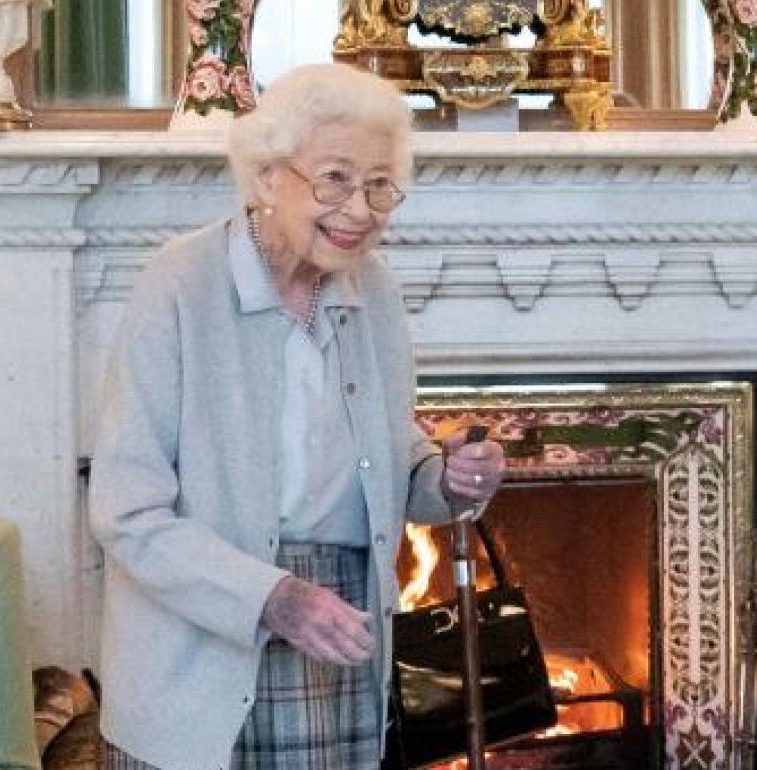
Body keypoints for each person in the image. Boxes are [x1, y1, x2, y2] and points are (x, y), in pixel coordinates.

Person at [89, 62, 506, 770]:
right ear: (265, 176)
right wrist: (274, 598)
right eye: (336, 178)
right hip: (206, 638)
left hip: (339, 627)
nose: (361, 207)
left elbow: (385, 454)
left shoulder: (374, 292)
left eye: (379, 184)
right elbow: (126, 511)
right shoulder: (180, 284)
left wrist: (448, 477)